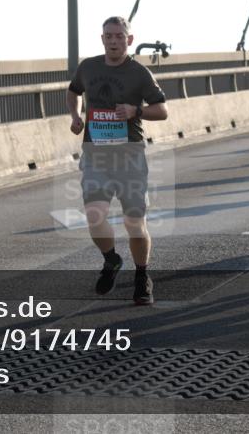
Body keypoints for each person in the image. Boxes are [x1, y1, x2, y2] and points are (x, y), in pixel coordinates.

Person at [67, 16, 168, 305]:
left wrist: (136, 110)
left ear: (129, 40)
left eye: (119, 37)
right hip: (96, 154)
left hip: (130, 156)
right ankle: (111, 260)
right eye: (108, 36)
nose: (113, 41)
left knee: (135, 222)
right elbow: (73, 90)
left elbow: (162, 110)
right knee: (95, 216)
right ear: (102, 39)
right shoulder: (89, 67)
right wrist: (75, 116)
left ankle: (142, 275)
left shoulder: (139, 73)